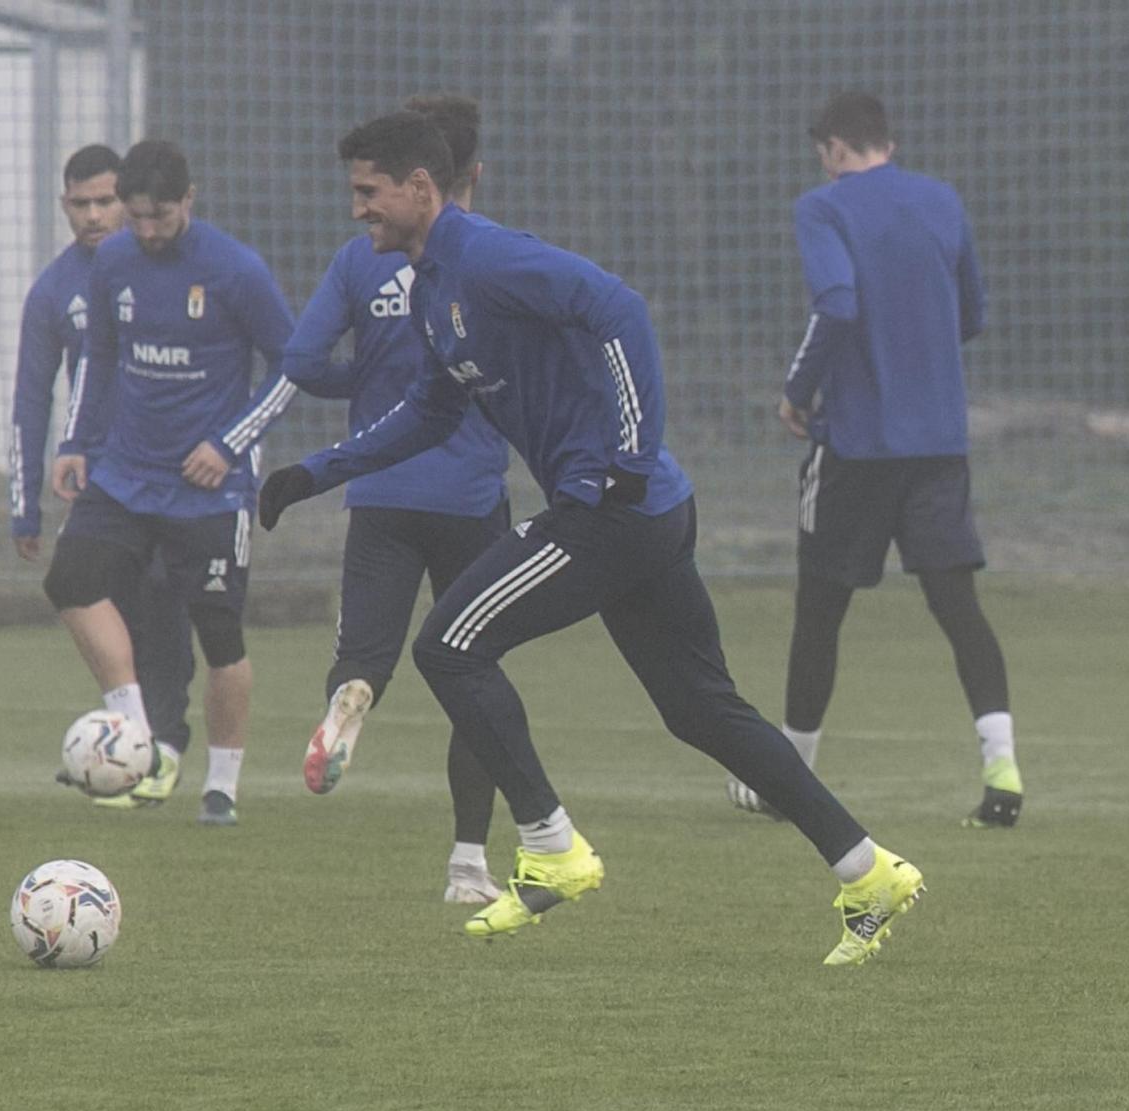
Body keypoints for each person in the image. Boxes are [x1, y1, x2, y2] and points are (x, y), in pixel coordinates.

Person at [259, 112, 927, 964]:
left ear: (420, 189)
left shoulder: (490, 257)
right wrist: (315, 472)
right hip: (643, 511)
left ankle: (552, 848)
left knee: (451, 645)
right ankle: (868, 872)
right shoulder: (432, 291)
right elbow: (432, 409)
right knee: (701, 709)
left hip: (615, 507)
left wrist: (630, 455)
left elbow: (620, 308)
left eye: (369, 191)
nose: (358, 210)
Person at [727, 91, 1022, 829]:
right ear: (886, 141)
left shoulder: (823, 208)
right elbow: (974, 313)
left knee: (820, 611)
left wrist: (797, 392)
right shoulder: (942, 200)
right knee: (958, 608)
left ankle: (785, 784)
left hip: (856, 444)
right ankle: (1004, 773)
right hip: (938, 445)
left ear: (832, 148)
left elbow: (835, 303)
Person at [283, 94, 512, 904]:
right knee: (475, 673)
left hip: (380, 488)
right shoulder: (494, 260)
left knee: (366, 655)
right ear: (468, 174)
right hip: (472, 492)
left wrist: (365, 390)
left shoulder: (359, 259)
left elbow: (303, 359)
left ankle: (352, 698)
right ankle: (467, 864)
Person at [43, 139, 298, 827]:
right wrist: (76, 441)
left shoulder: (235, 270)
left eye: (159, 216)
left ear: (189, 200)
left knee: (218, 634)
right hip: (125, 474)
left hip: (209, 488)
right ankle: (139, 739)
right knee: (70, 579)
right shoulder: (115, 259)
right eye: (136, 217)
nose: (146, 231)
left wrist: (230, 442)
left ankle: (222, 785)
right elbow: (99, 352)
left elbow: (291, 365)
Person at [12, 144, 194, 811]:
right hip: (105, 475)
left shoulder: (174, 270)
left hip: (177, 471)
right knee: (93, 587)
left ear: (130, 201)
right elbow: (32, 397)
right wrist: (24, 502)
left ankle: (164, 745)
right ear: (65, 206)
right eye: (81, 204)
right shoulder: (55, 290)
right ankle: (133, 741)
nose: (94, 215)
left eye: (105, 201)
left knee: (163, 598)